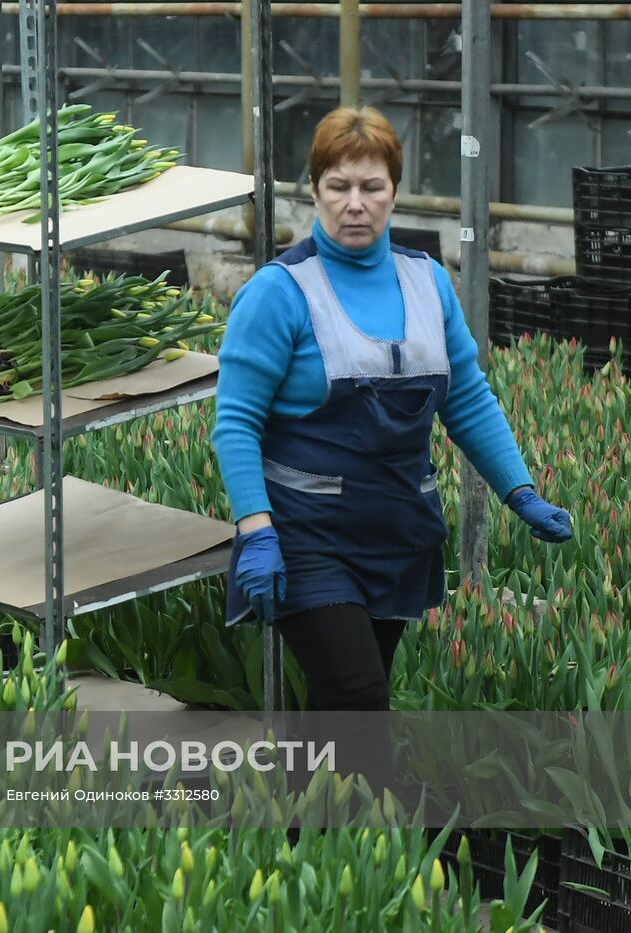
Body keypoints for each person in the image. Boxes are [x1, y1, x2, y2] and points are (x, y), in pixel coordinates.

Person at [211, 107, 571, 791]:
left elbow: (465, 398)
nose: (356, 204)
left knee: (336, 708)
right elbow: (235, 423)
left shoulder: (426, 281)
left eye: (371, 186)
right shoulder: (278, 293)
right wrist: (255, 531)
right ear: (312, 190)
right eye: (339, 186)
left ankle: (301, 853)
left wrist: (521, 491)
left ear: (395, 191)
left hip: (396, 531)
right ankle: (358, 853)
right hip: (305, 537)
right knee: (356, 695)